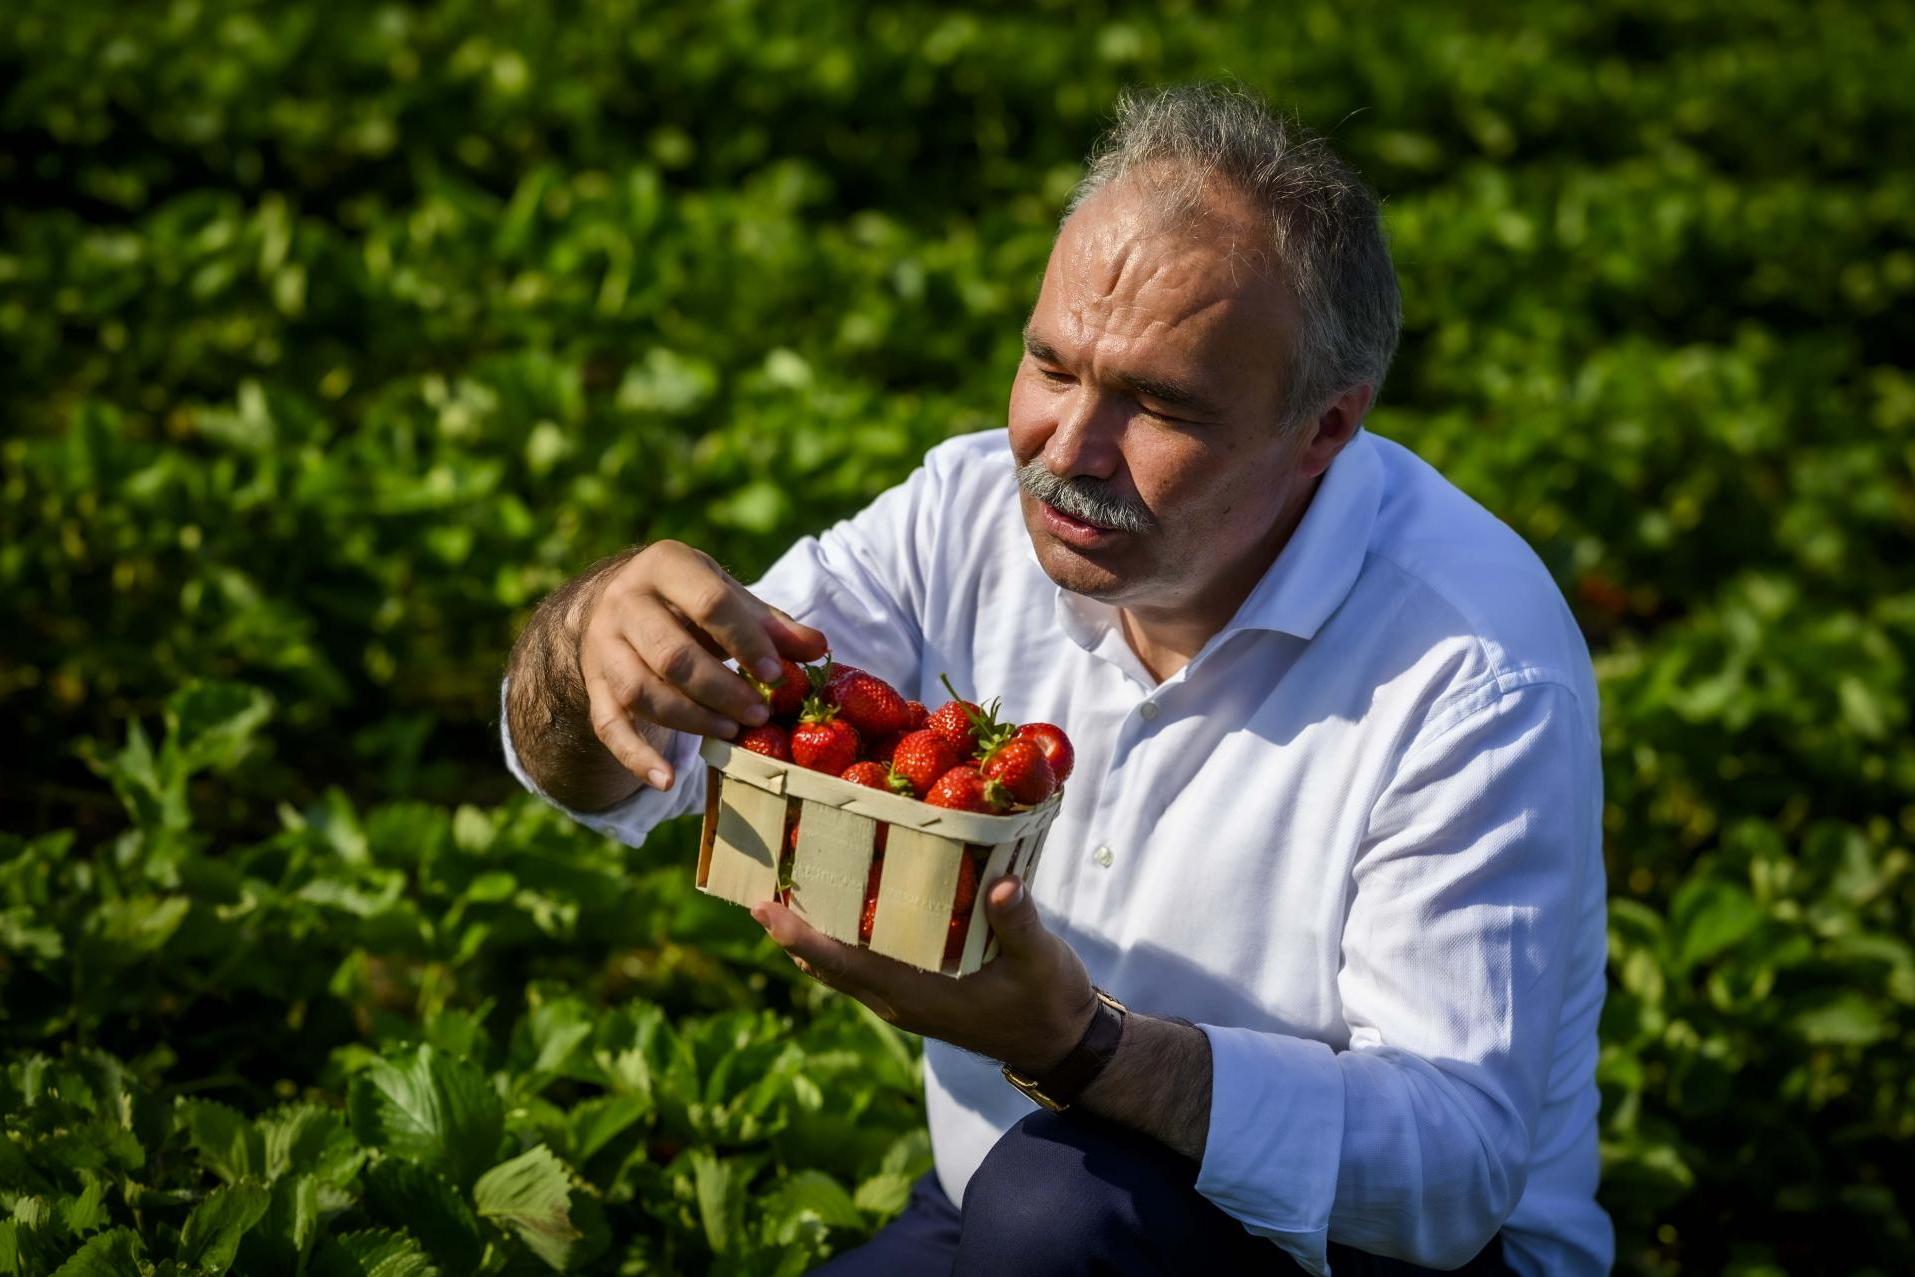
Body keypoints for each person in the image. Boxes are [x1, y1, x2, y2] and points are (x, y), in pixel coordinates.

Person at [502, 83, 1612, 1276]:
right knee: (1034, 1204)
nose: (1066, 451)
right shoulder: (964, 515)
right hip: (999, 1192)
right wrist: (589, 651)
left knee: (1053, 1208)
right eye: (1051, 364)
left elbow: (1449, 1174)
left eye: (1160, 403)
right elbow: (629, 772)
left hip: (1364, 1254)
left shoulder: (1468, 670)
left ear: (1326, 427)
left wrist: (1077, 1044)